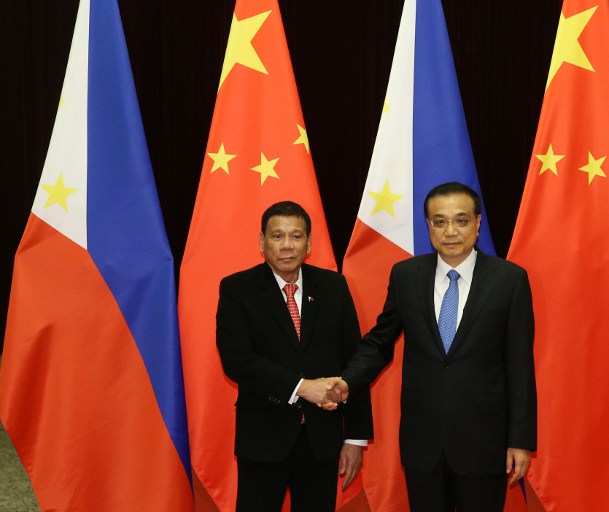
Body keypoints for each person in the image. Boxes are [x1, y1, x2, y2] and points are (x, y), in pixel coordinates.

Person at [329, 182, 536, 512]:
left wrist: (520, 441)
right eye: (439, 221)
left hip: (484, 442)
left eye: (461, 220)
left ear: (477, 223)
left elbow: (520, 366)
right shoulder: (406, 275)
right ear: (428, 226)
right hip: (423, 443)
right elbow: (380, 342)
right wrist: (346, 381)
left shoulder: (509, 279)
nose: (450, 231)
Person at [216, 201, 373, 512]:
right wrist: (302, 387)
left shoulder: (333, 286)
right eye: (277, 236)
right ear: (262, 242)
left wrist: (355, 438)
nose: (287, 246)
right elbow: (237, 359)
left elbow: (354, 361)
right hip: (263, 439)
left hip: (322, 442)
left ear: (309, 243)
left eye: (296, 236)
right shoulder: (238, 288)